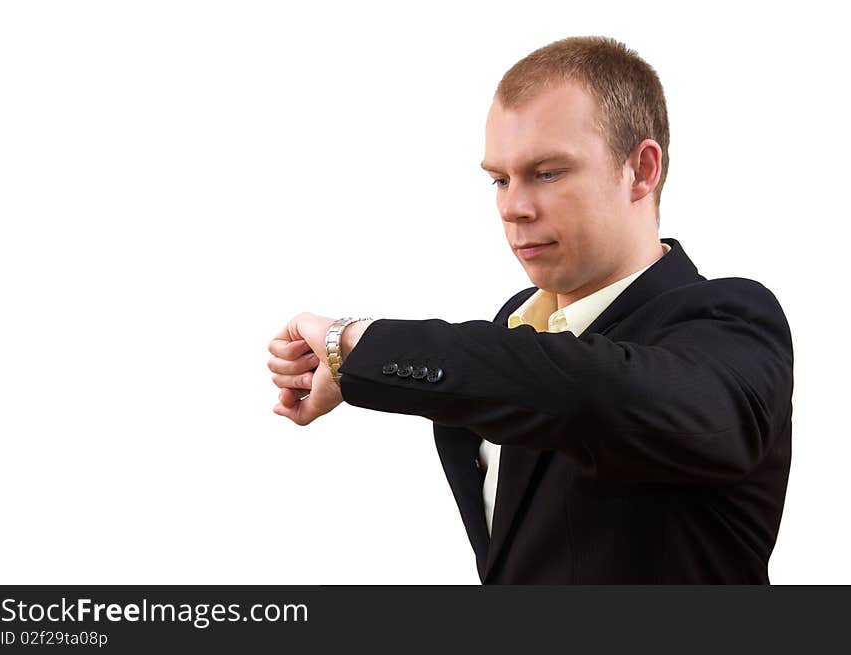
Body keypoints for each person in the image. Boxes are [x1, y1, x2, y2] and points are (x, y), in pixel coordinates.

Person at [267, 36, 794, 584]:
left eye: (547, 173)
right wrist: (353, 365)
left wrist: (357, 345)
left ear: (641, 170)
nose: (512, 208)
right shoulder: (514, 328)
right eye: (500, 179)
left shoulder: (733, 321)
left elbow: (591, 392)